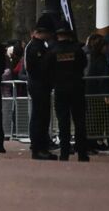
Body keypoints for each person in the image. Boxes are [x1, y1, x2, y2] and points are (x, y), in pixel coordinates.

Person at [51, 22, 90, 162]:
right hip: (77, 88)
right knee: (80, 121)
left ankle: (64, 153)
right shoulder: (77, 50)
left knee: (63, 122)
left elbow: (48, 68)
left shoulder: (53, 51)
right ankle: (82, 153)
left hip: (61, 88)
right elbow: (83, 64)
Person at [25, 14, 58, 159]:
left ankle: (39, 146)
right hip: (39, 85)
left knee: (40, 116)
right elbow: (40, 68)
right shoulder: (36, 48)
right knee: (41, 117)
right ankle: (39, 148)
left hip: (39, 84)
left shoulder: (36, 46)